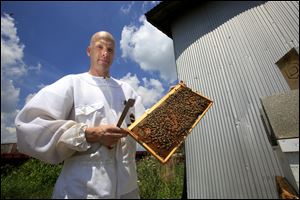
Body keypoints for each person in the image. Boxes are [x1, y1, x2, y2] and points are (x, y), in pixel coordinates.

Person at [15, 31, 145, 199]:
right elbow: (29, 124)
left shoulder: (127, 90)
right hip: (81, 191)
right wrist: (89, 134)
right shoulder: (72, 83)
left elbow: (147, 126)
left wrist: (168, 111)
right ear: (89, 51)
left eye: (110, 50)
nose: (105, 53)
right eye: (100, 47)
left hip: (128, 191)